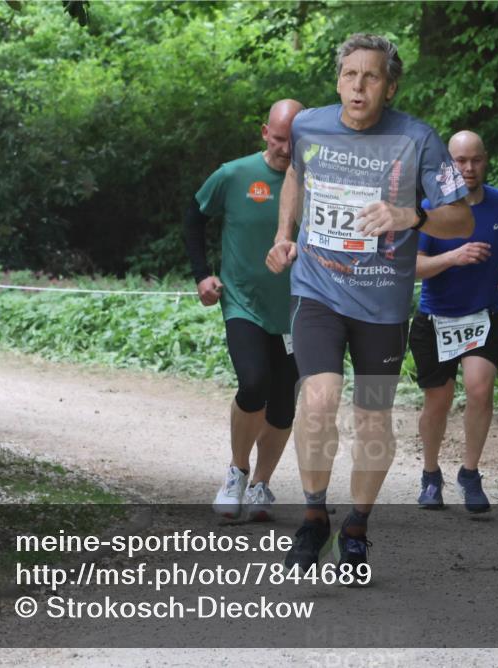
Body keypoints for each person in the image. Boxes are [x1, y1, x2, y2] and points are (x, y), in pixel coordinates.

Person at [266, 34, 474, 578]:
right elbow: (294, 175)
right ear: (338, 80)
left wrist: (411, 218)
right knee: (318, 398)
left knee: (373, 417)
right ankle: (313, 516)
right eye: (350, 75)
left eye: (372, 77)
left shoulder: (419, 139)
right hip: (318, 291)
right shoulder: (310, 125)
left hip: (383, 305)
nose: (359, 86)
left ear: (391, 85)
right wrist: (285, 233)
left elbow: (462, 218)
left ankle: (356, 526)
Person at [185, 99, 304, 521]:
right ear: (263, 133)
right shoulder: (234, 174)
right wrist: (202, 275)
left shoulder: (317, 184)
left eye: (294, 141)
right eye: (278, 139)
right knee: (254, 383)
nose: (286, 149)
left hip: (298, 311)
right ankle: (237, 472)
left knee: (284, 405)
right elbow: (194, 218)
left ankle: (261, 487)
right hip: (244, 302)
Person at [409, 130, 498, 513]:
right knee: (438, 402)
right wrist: (452, 257)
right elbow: (413, 269)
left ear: (485, 159)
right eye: (460, 161)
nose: (469, 168)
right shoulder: (429, 208)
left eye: (475, 160)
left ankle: (470, 473)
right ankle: (430, 476)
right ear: (448, 164)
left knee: (479, 389)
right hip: (436, 319)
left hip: (483, 315)